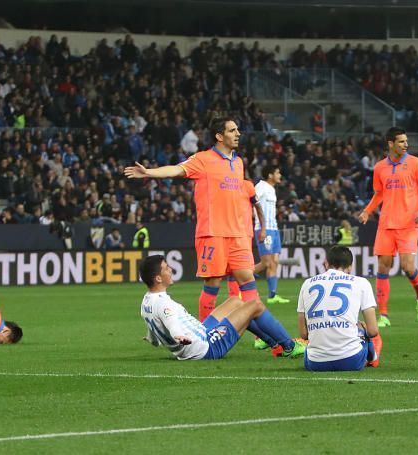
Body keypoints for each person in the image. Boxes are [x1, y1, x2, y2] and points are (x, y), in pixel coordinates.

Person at [124, 117, 266, 322]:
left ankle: (259, 337)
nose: (238, 134)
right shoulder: (203, 159)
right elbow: (176, 169)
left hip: (238, 234)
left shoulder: (238, 162)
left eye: (237, 130)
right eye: (232, 130)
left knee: (249, 282)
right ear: (219, 136)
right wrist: (149, 173)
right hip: (213, 233)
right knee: (213, 284)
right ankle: (204, 335)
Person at [139, 255, 305, 360]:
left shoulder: (147, 302)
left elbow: (154, 329)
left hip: (201, 333)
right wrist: (179, 336)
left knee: (235, 302)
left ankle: (275, 345)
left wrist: (153, 339)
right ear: (158, 279)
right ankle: (289, 346)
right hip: (205, 347)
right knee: (256, 305)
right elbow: (171, 324)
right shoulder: (164, 304)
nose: (171, 269)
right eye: (166, 268)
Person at [357, 127, 418, 328]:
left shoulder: (415, 163)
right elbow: (379, 193)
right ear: (390, 144)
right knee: (383, 267)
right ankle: (383, 315)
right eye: (401, 142)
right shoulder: (380, 167)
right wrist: (367, 211)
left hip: (408, 223)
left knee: (408, 267)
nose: (405, 144)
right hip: (386, 224)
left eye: (406, 141)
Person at [298, 246, 383, 371]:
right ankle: (372, 358)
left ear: (326, 263)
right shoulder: (362, 283)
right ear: (350, 266)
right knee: (363, 328)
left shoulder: (307, 284)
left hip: (315, 363)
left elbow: (304, 334)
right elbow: (373, 331)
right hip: (351, 361)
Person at [252, 164, 290, 305]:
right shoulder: (261, 186)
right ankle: (240, 279)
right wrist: (261, 227)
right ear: (270, 175)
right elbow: (250, 201)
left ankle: (272, 296)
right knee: (266, 262)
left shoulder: (272, 189)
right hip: (264, 228)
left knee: (274, 262)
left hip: (273, 229)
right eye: (277, 173)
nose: (279, 175)